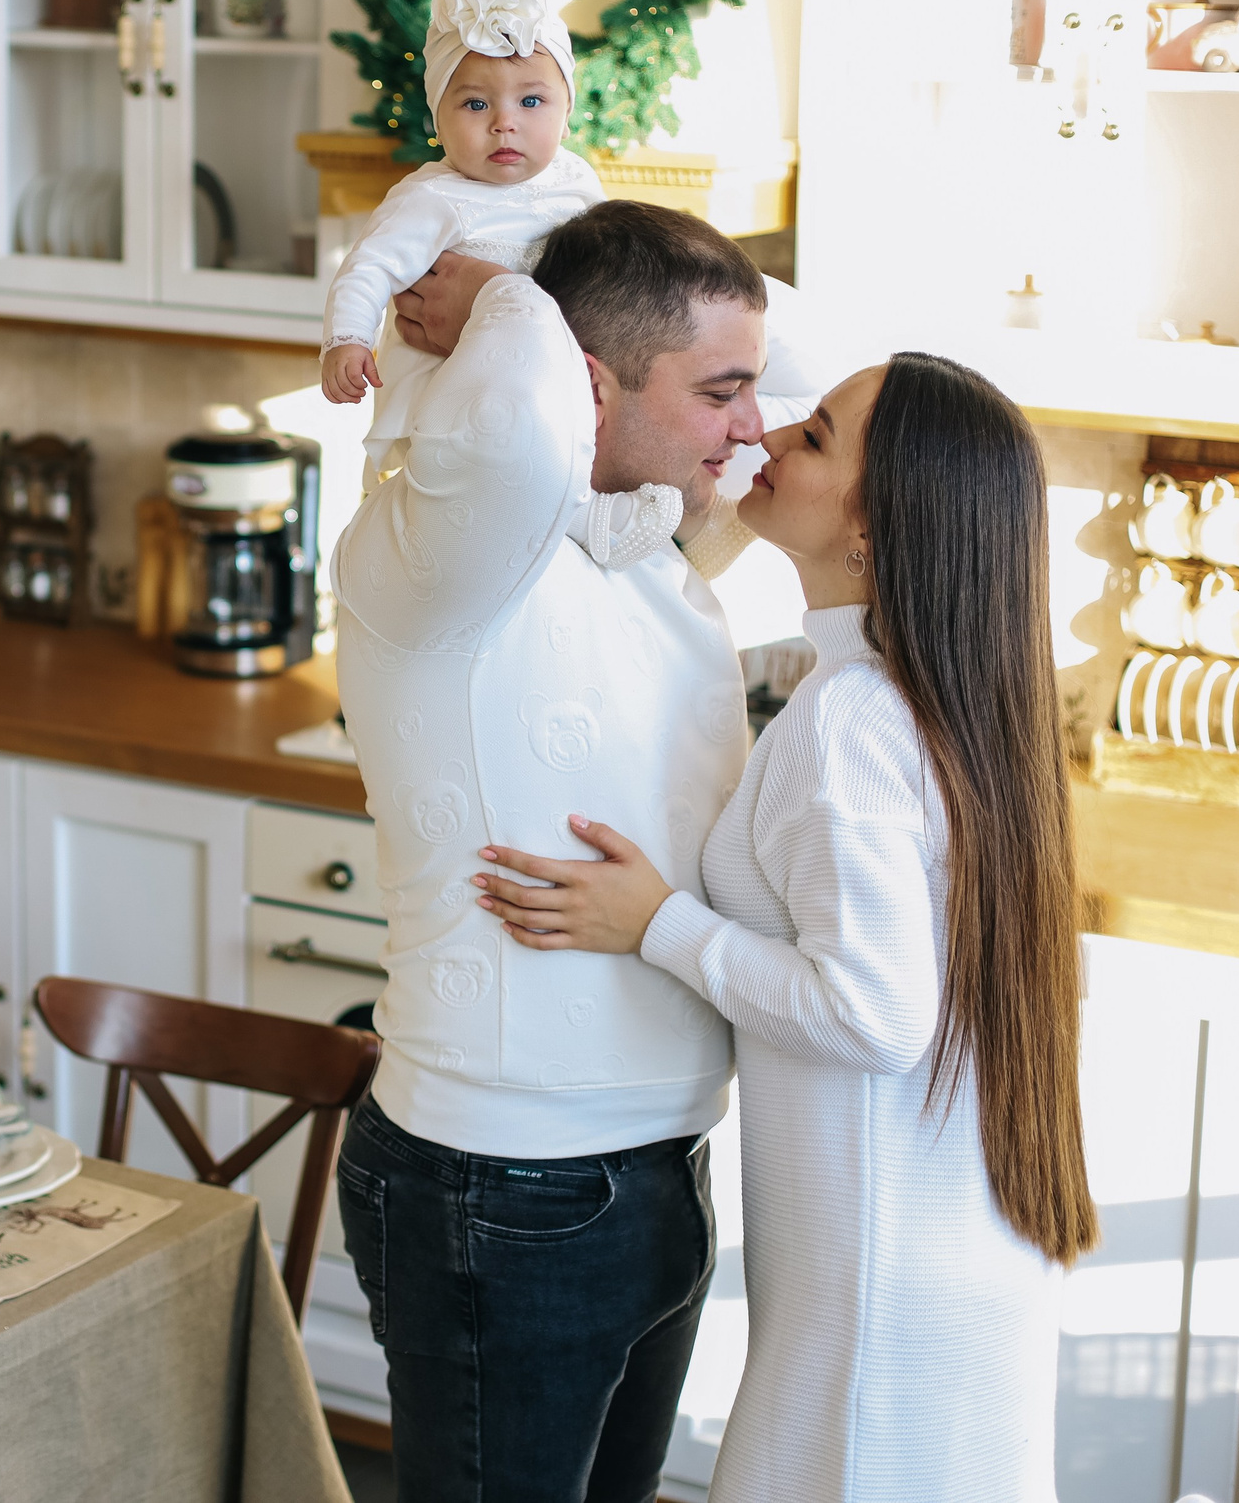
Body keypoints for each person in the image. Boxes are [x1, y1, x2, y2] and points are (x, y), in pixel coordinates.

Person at [474, 354, 1099, 1501]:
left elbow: (874, 1012)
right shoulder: (931, 696)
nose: (766, 437)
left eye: (812, 437)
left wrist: (655, 923)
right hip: (949, 1258)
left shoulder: (855, 722)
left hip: (879, 1302)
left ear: (875, 531)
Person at [330, 200, 819, 1503]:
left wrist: (580, 306)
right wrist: (505, 288)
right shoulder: (443, 553)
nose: (755, 422)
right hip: (501, 1186)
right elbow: (522, 415)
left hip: (657, 1163)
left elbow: (829, 384)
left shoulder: (657, 551)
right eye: (721, 390)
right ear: (587, 378)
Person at [319, 0, 605, 483]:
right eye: (475, 105)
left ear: (567, 112)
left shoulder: (578, 182)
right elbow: (369, 267)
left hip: (545, 395)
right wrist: (348, 339)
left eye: (532, 101)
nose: (504, 124)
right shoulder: (433, 197)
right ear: (438, 117)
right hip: (444, 400)